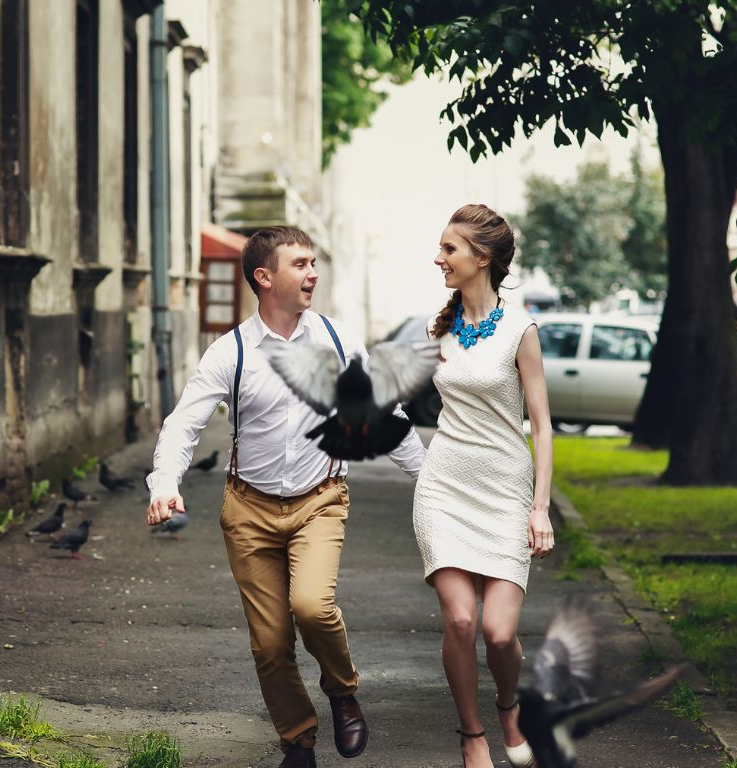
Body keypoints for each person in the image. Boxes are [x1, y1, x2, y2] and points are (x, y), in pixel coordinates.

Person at [146, 226, 426, 768]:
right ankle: (297, 741)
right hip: (247, 509)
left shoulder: (340, 343)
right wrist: (165, 484)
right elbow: (183, 423)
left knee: (313, 608)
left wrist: (432, 483)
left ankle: (342, 691)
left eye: (314, 262)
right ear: (264, 277)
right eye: (300, 264)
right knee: (270, 643)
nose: (313, 273)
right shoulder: (232, 352)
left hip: (319, 501)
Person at [411, 205, 553, 768]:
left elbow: (540, 425)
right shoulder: (435, 328)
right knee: (462, 621)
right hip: (444, 485)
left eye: (449, 249)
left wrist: (539, 508)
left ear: (482, 257)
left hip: (504, 491)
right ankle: (471, 736)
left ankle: (509, 706)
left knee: (498, 633)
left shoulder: (521, 331)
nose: (438, 258)